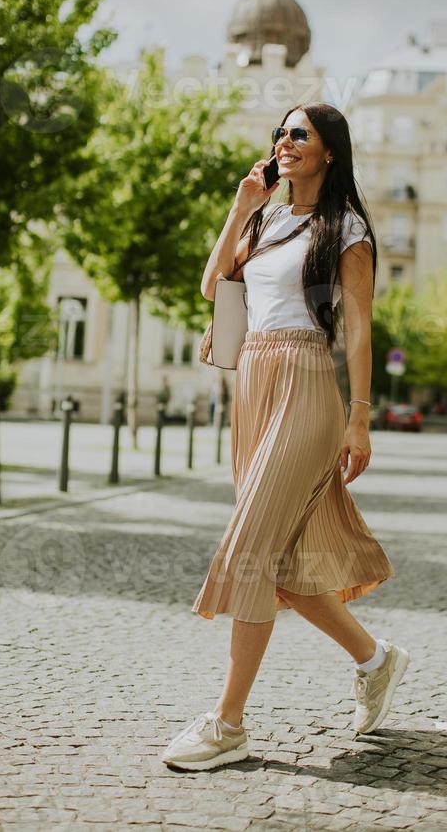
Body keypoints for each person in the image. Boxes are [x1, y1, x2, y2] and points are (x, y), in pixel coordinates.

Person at [162, 103, 409, 771]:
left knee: (248, 547)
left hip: (306, 383)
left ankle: (229, 723)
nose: (285, 141)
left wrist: (359, 416)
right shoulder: (267, 217)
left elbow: (358, 330)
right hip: (253, 381)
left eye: (300, 133)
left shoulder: (346, 228)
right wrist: (243, 203)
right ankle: (376, 660)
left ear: (331, 150)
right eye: (281, 132)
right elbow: (214, 285)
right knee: (284, 562)